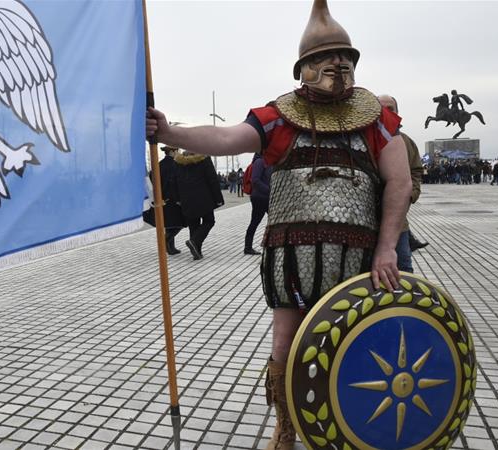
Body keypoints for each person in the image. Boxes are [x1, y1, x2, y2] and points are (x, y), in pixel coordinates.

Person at [146, 1, 412, 446]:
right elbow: (226, 137)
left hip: (361, 260)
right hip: (293, 256)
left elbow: (399, 183)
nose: (338, 65)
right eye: (326, 58)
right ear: (304, 67)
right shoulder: (278, 117)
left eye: (345, 58)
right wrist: (171, 132)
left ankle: (354, 430)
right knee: (286, 351)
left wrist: (387, 246)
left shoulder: (378, 121)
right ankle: (286, 428)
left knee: (359, 348)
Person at [378, 95, 426, 270]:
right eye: (381, 107)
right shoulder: (364, 138)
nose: (385, 112)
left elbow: (416, 171)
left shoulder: (406, 141)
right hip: (366, 218)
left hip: (398, 221)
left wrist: (410, 194)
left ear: (397, 112)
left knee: (403, 267)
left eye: (390, 108)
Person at [175, 150, 224, 260]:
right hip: (204, 198)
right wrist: (218, 199)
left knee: (193, 225)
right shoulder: (204, 159)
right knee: (209, 221)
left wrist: (178, 199)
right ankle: (194, 242)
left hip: (186, 199)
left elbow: (176, 181)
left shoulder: (179, 162)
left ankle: (197, 251)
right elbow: (212, 179)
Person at [158, 146, 186, 255]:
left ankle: (171, 248)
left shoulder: (159, 165)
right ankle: (165, 241)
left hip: (162, 199)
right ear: (172, 152)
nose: (178, 153)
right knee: (179, 223)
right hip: (174, 199)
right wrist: (179, 198)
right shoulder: (175, 165)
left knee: (169, 224)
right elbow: (176, 183)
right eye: (177, 151)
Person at [244, 153, 272, 255]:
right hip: (260, 198)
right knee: (255, 221)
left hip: (266, 197)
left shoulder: (268, 162)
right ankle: (248, 247)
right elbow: (255, 180)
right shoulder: (260, 162)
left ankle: (269, 244)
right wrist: (270, 190)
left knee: (272, 221)